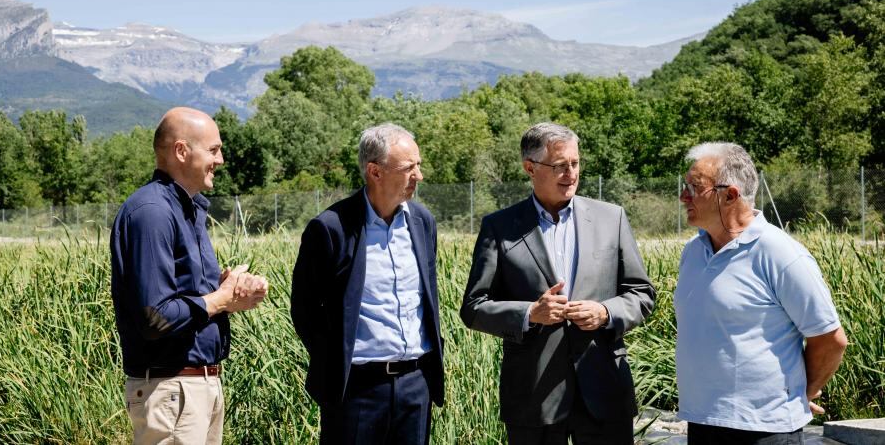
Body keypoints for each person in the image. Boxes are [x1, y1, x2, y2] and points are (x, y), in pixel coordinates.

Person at [461, 122, 655, 444]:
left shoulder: (612, 218)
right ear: (530, 168)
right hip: (533, 396)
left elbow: (641, 293)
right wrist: (529, 314)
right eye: (560, 166)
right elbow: (474, 307)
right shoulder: (499, 227)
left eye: (575, 163)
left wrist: (605, 312)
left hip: (604, 390)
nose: (571, 174)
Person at [110, 107, 268, 444]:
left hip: (194, 388)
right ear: (181, 151)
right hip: (172, 391)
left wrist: (230, 292)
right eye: (213, 150)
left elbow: (190, 299)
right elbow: (155, 317)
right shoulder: (152, 212)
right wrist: (219, 299)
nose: (220, 160)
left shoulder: (187, 210)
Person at [675, 142, 848, 444]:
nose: (683, 196)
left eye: (694, 187)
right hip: (702, 421)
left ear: (730, 195)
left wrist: (801, 393)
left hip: (765, 430)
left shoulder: (779, 253)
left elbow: (830, 339)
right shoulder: (693, 251)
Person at [290, 123, 445, 444]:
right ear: (375, 172)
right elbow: (304, 310)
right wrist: (335, 361)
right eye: (409, 167)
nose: (419, 175)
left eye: (418, 165)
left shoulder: (422, 222)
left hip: (415, 386)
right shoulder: (331, 228)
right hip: (356, 390)